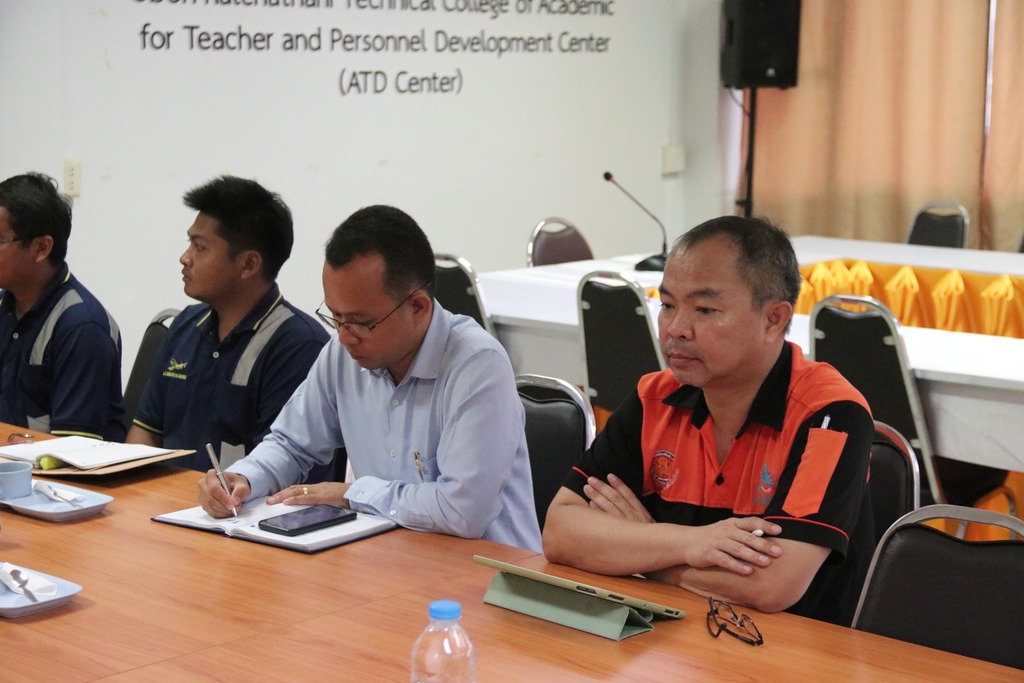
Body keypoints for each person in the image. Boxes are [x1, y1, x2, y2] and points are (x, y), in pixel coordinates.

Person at [542, 216, 874, 626]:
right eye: (667, 305)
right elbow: (560, 532)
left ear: (773, 319)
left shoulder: (830, 415)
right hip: (676, 637)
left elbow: (771, 586)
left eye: (705, 309)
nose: (676, 329)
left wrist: (644, 553)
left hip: (796, 647)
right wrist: (690, 543)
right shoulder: (654, 397)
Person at [199, 204, 542, 551]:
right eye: (335, 317)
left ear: (418, 307)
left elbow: (463, 511)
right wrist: (244, 478)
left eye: (361, 322)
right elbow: (292, 444)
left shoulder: (477, 365)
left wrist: (353, 494)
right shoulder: (342, 353)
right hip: (389, 558)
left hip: (484, 569)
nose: (345, 335)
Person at [127, 176, 329, 471]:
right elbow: (145, 431)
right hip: (162, 496)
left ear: (248, 264)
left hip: (235, 500)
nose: (185, 258)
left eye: (200, 247)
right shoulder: (185, 325)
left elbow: (283, 467)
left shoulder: (299, 346)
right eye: (189, 243)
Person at [0, 172, 125, 440]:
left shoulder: (83, 326)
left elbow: (72, 449)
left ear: (41, 248)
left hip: (56, 466)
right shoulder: (5, 304)